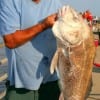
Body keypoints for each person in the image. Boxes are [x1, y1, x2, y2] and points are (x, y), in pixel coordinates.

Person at [0, 0, 66, 100]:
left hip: (51, 84)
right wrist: (43, 25)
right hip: (20, 88)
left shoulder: (57, 5)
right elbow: (10, 40)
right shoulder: (9, 2)